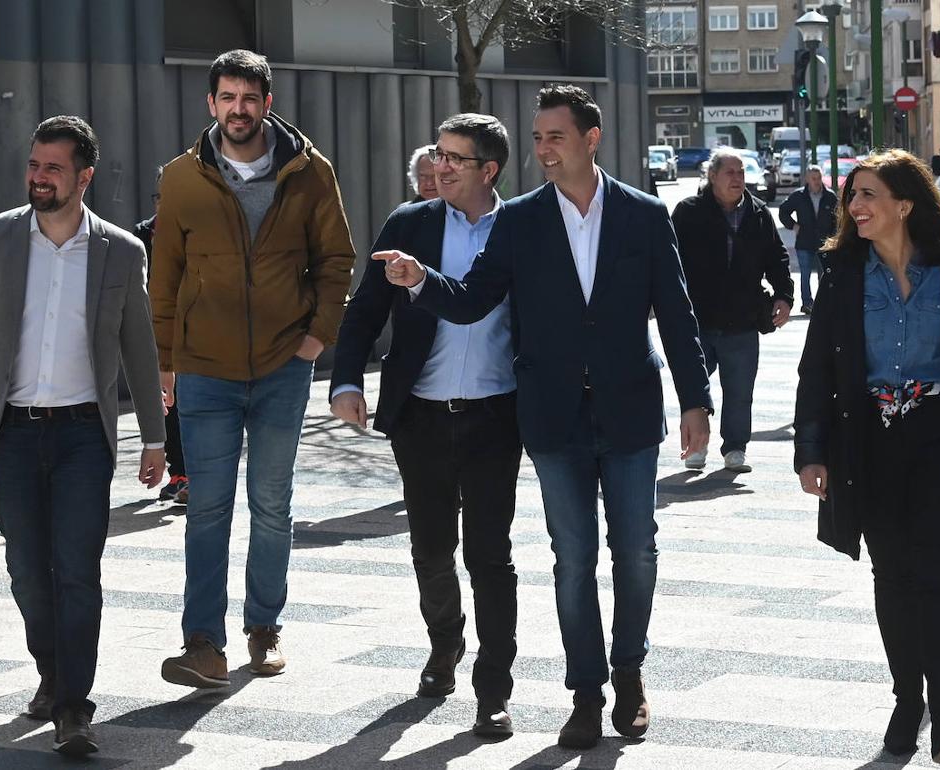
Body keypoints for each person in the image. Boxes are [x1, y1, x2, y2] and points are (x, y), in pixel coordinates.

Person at [375, 84, 713, 749]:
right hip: (553, 415)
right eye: (536, 138)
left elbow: (676, 313)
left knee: (637, 551)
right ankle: (585, 693)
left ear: (591, 139)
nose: (542, 149)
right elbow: (473, 300)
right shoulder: (521, 220)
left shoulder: (644, 215)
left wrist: (696, 399)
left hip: (630, 411)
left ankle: (630, 671)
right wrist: (420, 280)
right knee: (573, 557)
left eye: (554, 136)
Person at [0, 116, 167, 757]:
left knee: (78, 574)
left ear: (84, 177)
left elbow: (139, 351)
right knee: (28, 573)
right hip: (10, 435)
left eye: (53, 169)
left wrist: (154, 437)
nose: (39, 178)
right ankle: (52, 672)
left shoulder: (121, 251)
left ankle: (73, 705)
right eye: (34, 166)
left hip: (82, 440)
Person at [793, 149, 940, 769]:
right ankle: (905, 701)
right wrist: (811, 452)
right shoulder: (840, 272)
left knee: (939, 579)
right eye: (851, 198)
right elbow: (818, 368)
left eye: (867, 195)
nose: (855, 208)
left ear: (904, 204)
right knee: (892, 578)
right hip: (870, 442)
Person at [149, 49, 355, 689]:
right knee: (207, 507)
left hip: (281, 367)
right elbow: (166, 275)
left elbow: (337, 260)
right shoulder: (181, 177)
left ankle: (264, 628)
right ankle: (202, 642)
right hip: (205, 368)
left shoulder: (309, 171)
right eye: (227, 98)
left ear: (268, 103)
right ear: (211, 104)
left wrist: (316, 339)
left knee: (271, 503)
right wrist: (163, 360)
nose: (238, 109)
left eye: (250, 98)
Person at [331, 114, 520, 737]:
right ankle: (445, 647)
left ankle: (494, 686)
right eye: (438, 155)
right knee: (432, 548)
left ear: (487, 171)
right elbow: (364, 310)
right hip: (422, 417)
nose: (439, 167)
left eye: (454, 159)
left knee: (489, 554)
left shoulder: (520, 227)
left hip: (497, 417)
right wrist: (347, 381)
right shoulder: (409, 224)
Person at [671, 147, 794, 474]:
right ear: (712, 177)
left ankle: (736, 448)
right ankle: (696, 447)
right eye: (730, 173)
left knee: (740, 392)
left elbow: (777, 259)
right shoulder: (688, 212)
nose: (738, 179)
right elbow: (669, 263)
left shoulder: (758, 214)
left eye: (741, 173)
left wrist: (784, 296)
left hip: (742, 320)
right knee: (695, 388)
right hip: (698, 320)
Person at [134, 168, 189, 505]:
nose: (162, 205)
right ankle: (179, 473)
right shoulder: (142, 235)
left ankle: (189, 475)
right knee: (165, 403)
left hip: (192, 331)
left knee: (189, 403)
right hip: (153, 329)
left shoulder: (195, 233)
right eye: (158, 198)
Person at [779, 165, 838, 314]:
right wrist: (793, 225)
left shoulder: (830, 197)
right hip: (804, 242)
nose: (817, 181)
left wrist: (834, 236)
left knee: (824, 275)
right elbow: (783, 211)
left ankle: (822, 303)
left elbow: (838, 219)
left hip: (824, 243)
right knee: (805, 274)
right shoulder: (799, 196)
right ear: (807, 179)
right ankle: (807, 303)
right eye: (813, 178)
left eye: (819, 178)